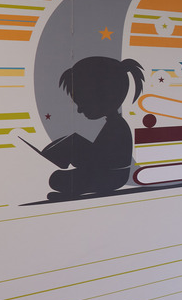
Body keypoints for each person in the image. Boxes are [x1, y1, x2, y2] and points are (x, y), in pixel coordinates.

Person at [42, 56, 144, 199]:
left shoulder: (117, 127)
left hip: (112, 176)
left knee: (59, 178)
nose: (79, 110)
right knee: (59, 177)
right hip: (108, 173)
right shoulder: (114, 124)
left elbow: (103, 160)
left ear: (102, 97)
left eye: (82, 102)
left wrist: (78, 151)